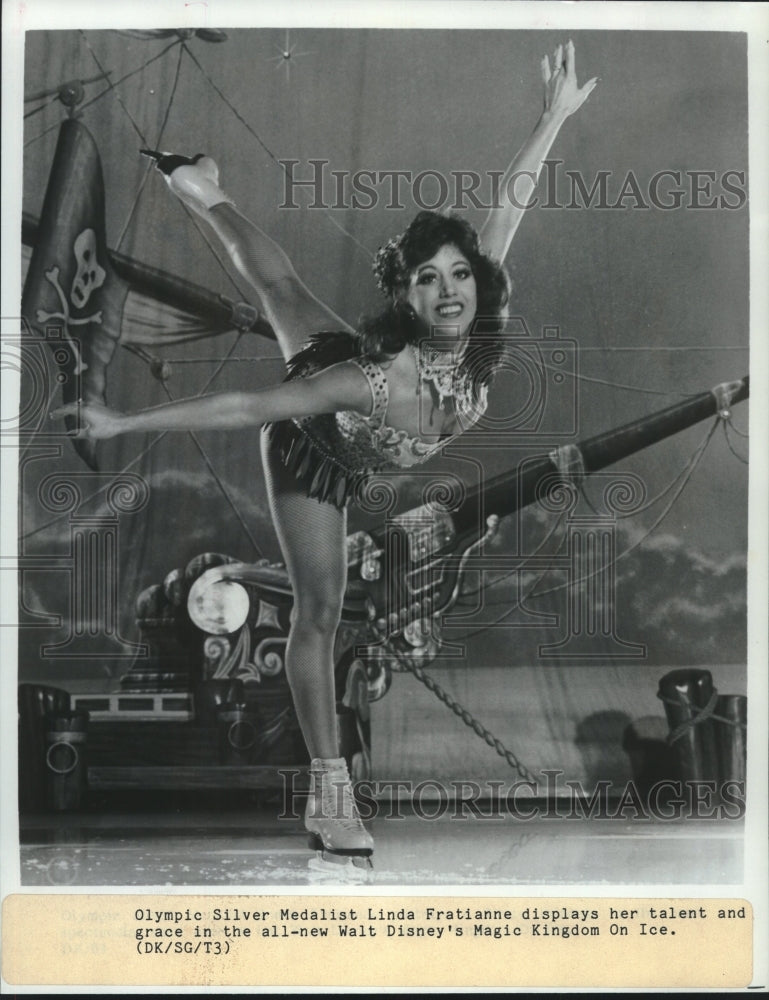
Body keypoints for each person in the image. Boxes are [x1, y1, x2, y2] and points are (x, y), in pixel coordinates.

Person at [51, 41, 597, 876]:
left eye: (458, 274)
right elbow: (246, 407)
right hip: (312, 449)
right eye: (425, 279)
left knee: (281, 290)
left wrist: (551, 115)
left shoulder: (475, 333)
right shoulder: (366, 379)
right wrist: (122, 422)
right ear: (404, 297)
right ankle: (329, 790)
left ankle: (202, 187)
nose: (448, 289)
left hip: (344, 380)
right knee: (318, 613)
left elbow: (505, 212)